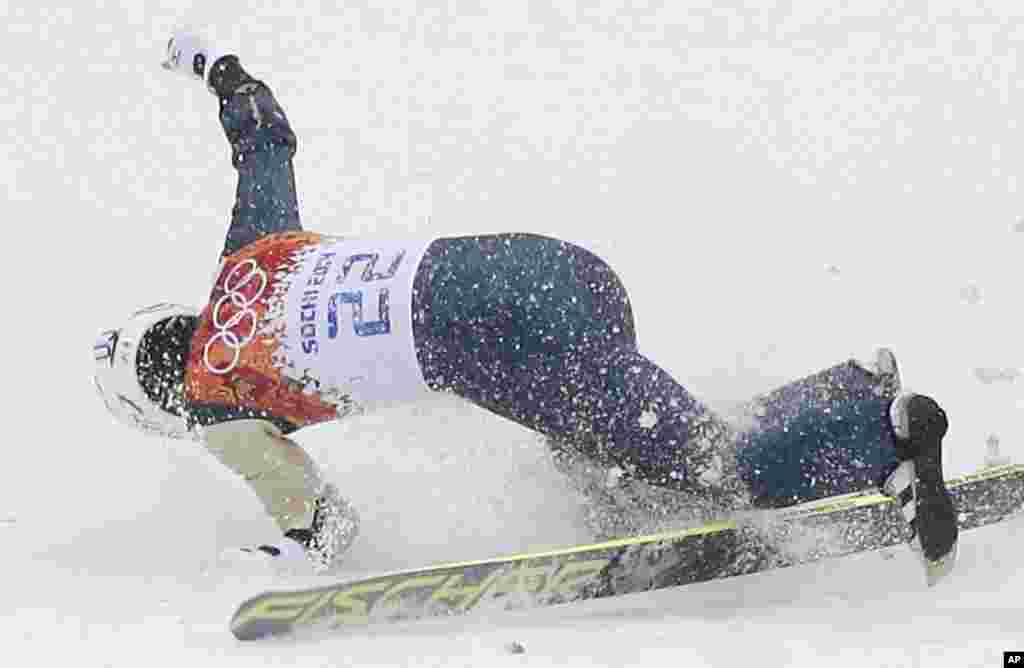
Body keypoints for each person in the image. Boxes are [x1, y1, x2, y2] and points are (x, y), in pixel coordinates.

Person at [92, 31, 957, 582]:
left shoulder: (217, 406)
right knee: (602, 454)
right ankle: (848, 391)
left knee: (705, 463)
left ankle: (883, 443)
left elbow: (325, 527)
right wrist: (214, 66)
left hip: (510, 344)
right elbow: (262, 130)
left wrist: (270, 563)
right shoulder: (250, 255)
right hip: (547, 267)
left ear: (161, 400)